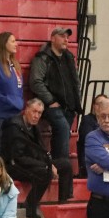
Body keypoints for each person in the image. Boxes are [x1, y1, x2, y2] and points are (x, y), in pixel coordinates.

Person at [1, 98, 74, 218]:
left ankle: (63, 202)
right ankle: (30, 206)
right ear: (26, 110)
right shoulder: (14, 126)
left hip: (32, 163)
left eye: (39, 113)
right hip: (13, 166)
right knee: (45, 172)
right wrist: (45, 166)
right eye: (34, 111)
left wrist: (49, 163)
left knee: (65, 165)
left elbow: (42, 150)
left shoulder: (34, 126)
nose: (36, 116)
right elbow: (18, 158)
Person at [29, 26, 82, 162]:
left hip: (69, 105)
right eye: (62, 36)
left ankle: (55, 166)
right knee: (63, 130)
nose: (66, 40)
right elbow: (35, 82)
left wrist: (77, 101)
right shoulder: (42, 58)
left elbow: (75, 81)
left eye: (67, 37)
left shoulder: (69, 57)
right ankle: (63, 167)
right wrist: (51, 100)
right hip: (51, 105)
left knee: (62, 136)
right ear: (53, 38)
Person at [77, 94, 109, 178]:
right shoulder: (87, 120)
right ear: (94, 106)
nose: (101, 107)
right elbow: (88, 139)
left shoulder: (108, 122)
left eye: (104, 104)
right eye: (98, 104)